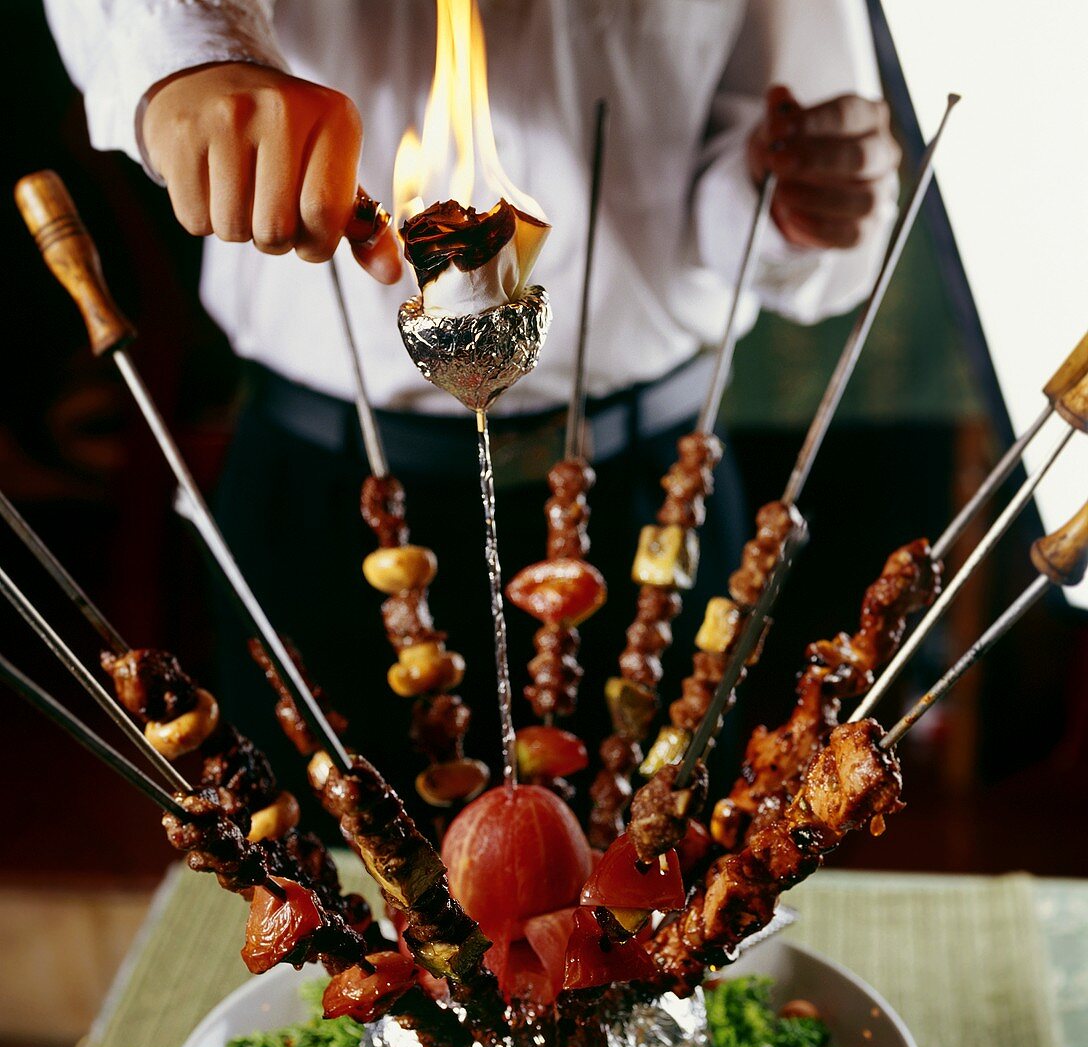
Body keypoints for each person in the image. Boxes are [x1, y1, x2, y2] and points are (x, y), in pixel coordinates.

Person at [44, 0, 901, 811]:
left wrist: (786, 198)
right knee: (339, 921)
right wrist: (192, 58)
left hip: (654, 506)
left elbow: (779, 131)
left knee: (655, 909)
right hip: (319, 500)